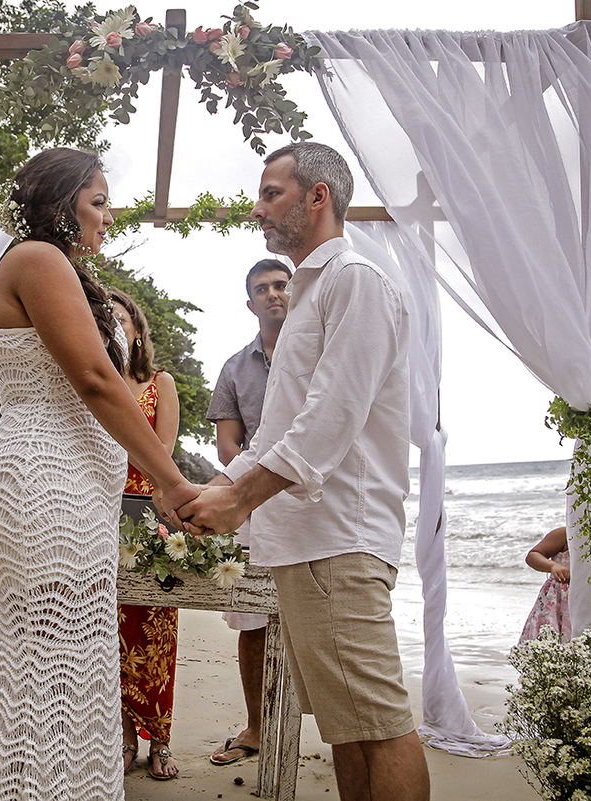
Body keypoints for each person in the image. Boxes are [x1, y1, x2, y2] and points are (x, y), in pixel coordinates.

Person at [178, 143, 431, 801]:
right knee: (347, 728)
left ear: (318, 196)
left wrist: (240, 503)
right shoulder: (312, 291)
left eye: (272, 193)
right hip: (306, 543)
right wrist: (222, 487)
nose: (258, 208)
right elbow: (281, 430)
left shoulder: (355, 280)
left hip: (338, 537)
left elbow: (332, 416)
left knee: (378, 725)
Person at [0, 147, 200, 801]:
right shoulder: (37, 259)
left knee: (70, 656)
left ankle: (56, 785)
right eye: (98, 201)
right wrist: (171, 480)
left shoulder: (70, 274)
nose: (108, 216)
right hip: (46, 478)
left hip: (76, 483)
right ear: (59, 201)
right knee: (53, 654)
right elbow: (98, 381)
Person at [204, 258, 290, 767]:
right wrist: (257, 481)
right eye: (262, 288)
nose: (273, 293)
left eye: (281, 284)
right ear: (250, 302)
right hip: (251, 506)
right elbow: (227, 446)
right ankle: (257, 728)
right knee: (252, 619)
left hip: (314, 502)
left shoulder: (320, 352)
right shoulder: (235, 368)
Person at [107, 289, 182, 781]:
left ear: (137, 329)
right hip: (101, 511)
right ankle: (124, 738)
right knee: (109, 633)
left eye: (118, 319)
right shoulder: (92, 381)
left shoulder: (161, 382)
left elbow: (165, 453)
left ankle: (161, 740)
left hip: (150, 511)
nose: (111, 327)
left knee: (155, 631)